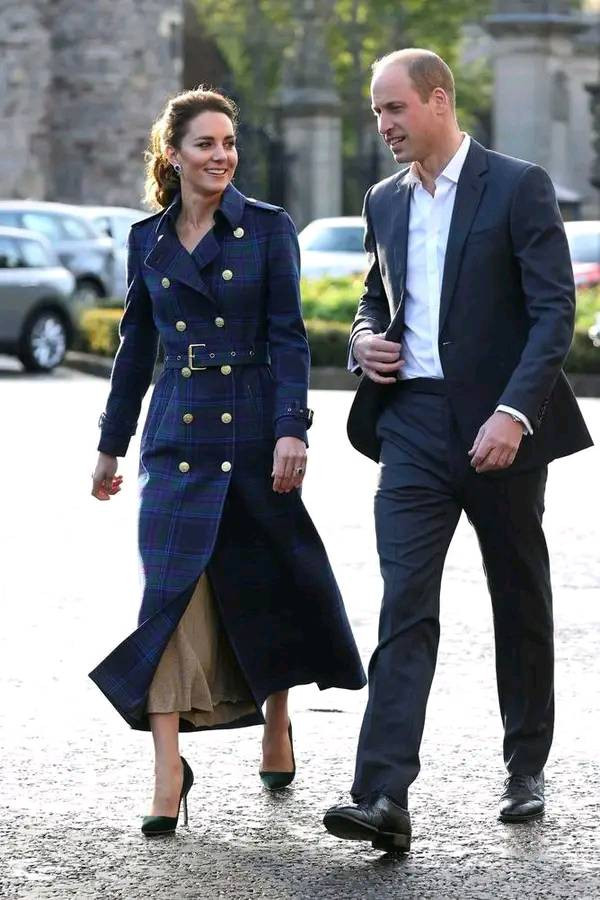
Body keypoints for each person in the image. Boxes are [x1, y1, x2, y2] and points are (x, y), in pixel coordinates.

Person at [323, 49, 592, 854]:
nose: (383, 125)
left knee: (518, 593)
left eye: (394, 108)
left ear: (438, 101)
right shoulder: (383, 200)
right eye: (377, 111)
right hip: (410, 423)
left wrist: (514, 413)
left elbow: (554, 313)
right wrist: (363, 339)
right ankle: (382, 795)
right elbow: (375, 295)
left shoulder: (517, 186)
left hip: (500, 427)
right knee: (405, 601)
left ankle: (525, 764)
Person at [89, 87, 366, 836]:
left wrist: (291, 429)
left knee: (262, 578)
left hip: (250, 430)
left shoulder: (268, 228)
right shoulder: (147, 239)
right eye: (206, 144)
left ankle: (277, 720)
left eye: (230, 143)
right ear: (173, 154)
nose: (222, 156)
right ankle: (166, 772)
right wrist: (111, 445)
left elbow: (289, 337)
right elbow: (136, 351)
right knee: (168, 598)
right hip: (176, 440)